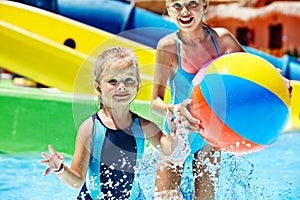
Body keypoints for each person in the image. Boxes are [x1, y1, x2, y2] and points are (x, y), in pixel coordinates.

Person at [40, 46, 189, 199]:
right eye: (113, 81)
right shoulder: (90, 129)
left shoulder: (144, 126)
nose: (122, 86)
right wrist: (60, 168)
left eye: (129, 79)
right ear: (98, 88)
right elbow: (77, 181)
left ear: (137, 85)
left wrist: (177, 132)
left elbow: (174, 153)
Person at [151, 0, 246, 199]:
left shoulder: (222, 40)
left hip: (211, 134)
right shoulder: (167, 46)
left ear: (205, 4)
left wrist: (278, 79)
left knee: (205, 197)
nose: (184, 11)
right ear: (168, 9)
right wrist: (177, 109)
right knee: (165, 195)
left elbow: (251, 75)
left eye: (192, 3)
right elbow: (155, 103)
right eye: (176, 5)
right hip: (178, 133)